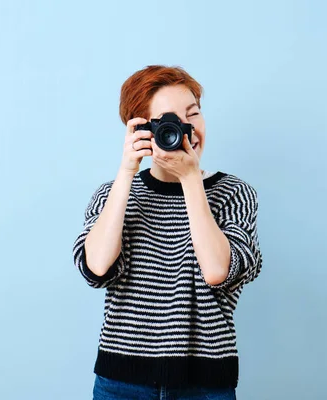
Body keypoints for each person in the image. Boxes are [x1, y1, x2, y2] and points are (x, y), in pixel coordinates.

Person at [73, 65, 263, 399]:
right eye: (170, 121)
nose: (187, 129)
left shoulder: (234, 193)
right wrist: (127, 171)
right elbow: (96, 267)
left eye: (194, 114)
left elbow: (219, 271)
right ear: (142, 130)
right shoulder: (113, 193)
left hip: (204, 384)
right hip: (121, 382)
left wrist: (191, 180)